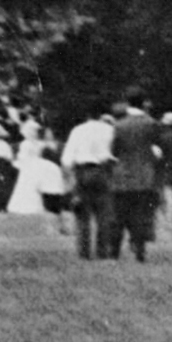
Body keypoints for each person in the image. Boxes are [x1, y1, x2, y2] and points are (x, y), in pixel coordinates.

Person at [105, 96, 161, 262]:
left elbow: (114, 150)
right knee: (141, 215)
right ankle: (140, 251)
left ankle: (114, 253)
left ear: (128, 103)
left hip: (122, 175)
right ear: (143, 103)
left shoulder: (118, 125)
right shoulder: (151, 123)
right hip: (144, 175)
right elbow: (157, 148)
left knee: (118, 216)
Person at [59, 108, 115, 260]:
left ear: (87, 114)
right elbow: (115, 153)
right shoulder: (110, 129)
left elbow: (66, 158)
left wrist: (69, 177)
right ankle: (103, 251)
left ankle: (84, 253)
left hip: (83, 172)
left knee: (83, 215)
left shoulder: (78, 130)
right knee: (104, 214)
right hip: (104, 171)